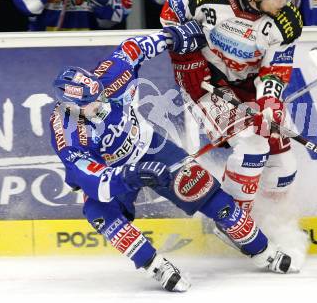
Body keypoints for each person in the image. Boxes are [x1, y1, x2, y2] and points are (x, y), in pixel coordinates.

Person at [50, 21, 298, 293]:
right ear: (71, 106)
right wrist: (132, 176)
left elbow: (134, 48)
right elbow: (90, 177)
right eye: (91, 103)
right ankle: (153, 263)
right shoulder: (66, 131)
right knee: (99, 212)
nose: (101, 104)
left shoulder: (111, 75)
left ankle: (263, 250)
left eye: (99, 95)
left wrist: (171, 36)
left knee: (210, 196)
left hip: (150, 147)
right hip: (114, 172)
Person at [160, 0, 303, 223]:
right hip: (205, 82)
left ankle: (270, 225)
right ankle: (232, 222)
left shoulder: (286, 23)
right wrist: (186, 54)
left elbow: (275, 68)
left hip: (249, 85)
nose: (283, 2)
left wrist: (269, 103)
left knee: (284, 168)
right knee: (253, 148)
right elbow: (171, 9)